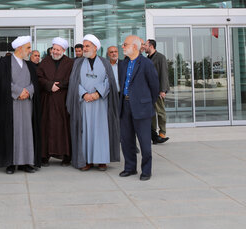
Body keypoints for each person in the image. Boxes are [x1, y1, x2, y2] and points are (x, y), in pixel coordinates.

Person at [67, 35, 120, 171]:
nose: (84, 49)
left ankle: (101, 160)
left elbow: (109, 81)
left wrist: (97, 93)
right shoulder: (78, 63)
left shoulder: (105, 63)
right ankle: (87, 161)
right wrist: (84, 94)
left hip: (100, 104)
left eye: (87, 46)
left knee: (101, 131)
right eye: (84, 46)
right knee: (85, 132)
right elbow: (74, 82)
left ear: (95, 47)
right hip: (83, 103)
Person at [0, 36, 41, 174]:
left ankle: (26, 163)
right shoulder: (5, 62)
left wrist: (28, 92)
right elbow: (2, 82)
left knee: (27, 132)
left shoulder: (30, 65)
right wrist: (19, 91)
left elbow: (35, 83)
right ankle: (10, 163)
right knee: (12, 132)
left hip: (27, 104)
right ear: (19, 48)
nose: (30, 51)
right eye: (28, 48)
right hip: (11, 104)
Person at [118, 35, 159, 181]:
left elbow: (155, 87)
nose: (122, 47)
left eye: (125, 44)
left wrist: (146, 102)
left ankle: (146, 170)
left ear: (134, 47)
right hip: (125, 105)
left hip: (142, 108)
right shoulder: (123, 64)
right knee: (127, 140)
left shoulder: (146, 64)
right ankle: (130, 168)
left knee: (144, 142)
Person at [37, 37, 74, 166]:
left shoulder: (70, 63)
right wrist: (49, 85)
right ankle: (44, 156)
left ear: (63, 50)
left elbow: (72, 79)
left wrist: (59, 85)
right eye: (54, 49)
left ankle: (66, 156)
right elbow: (38, 77)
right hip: (47, 100)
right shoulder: (45, 61)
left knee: (64, 128)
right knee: (45, 127)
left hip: (62, 101)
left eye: (58, 49)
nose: (55, 52)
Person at [144, 39, 170, 144]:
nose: (144, 47)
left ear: (151, 46)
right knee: (152, 114)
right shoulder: (147, 58)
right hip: (149, 91)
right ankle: (154, 135)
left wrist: (162, 90)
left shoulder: (160, 57)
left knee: (160, 112)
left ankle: (162, 133)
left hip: (159, 90)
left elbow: (164, 74)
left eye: (145, 45)